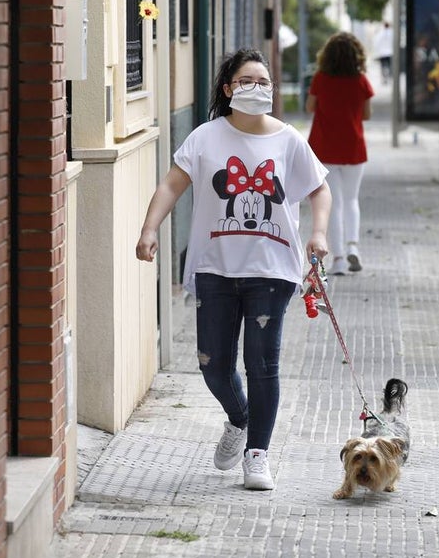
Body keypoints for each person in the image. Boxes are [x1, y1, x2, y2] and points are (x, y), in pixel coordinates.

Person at [135, 48, 331, 491]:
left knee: (263, 363)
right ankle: (239, 418)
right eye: (247, 81)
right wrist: (150, 228)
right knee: (213, 364)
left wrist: (319, 235)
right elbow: (171, 183)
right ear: (228, 89)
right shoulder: (206, 138)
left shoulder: (288, 140)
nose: (257, 89)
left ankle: (257, 454)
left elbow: (320, 190)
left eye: (264, 82)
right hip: (215, 268)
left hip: (272, 270)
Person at [306, 32, 374, 276]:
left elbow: (309, 107)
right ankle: (353, 244)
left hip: (324, 148)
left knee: (332, 204)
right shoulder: (361, 81)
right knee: (352, 200)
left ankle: (338, 260)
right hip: (354, 147)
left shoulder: (320, 79)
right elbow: (366, 114)